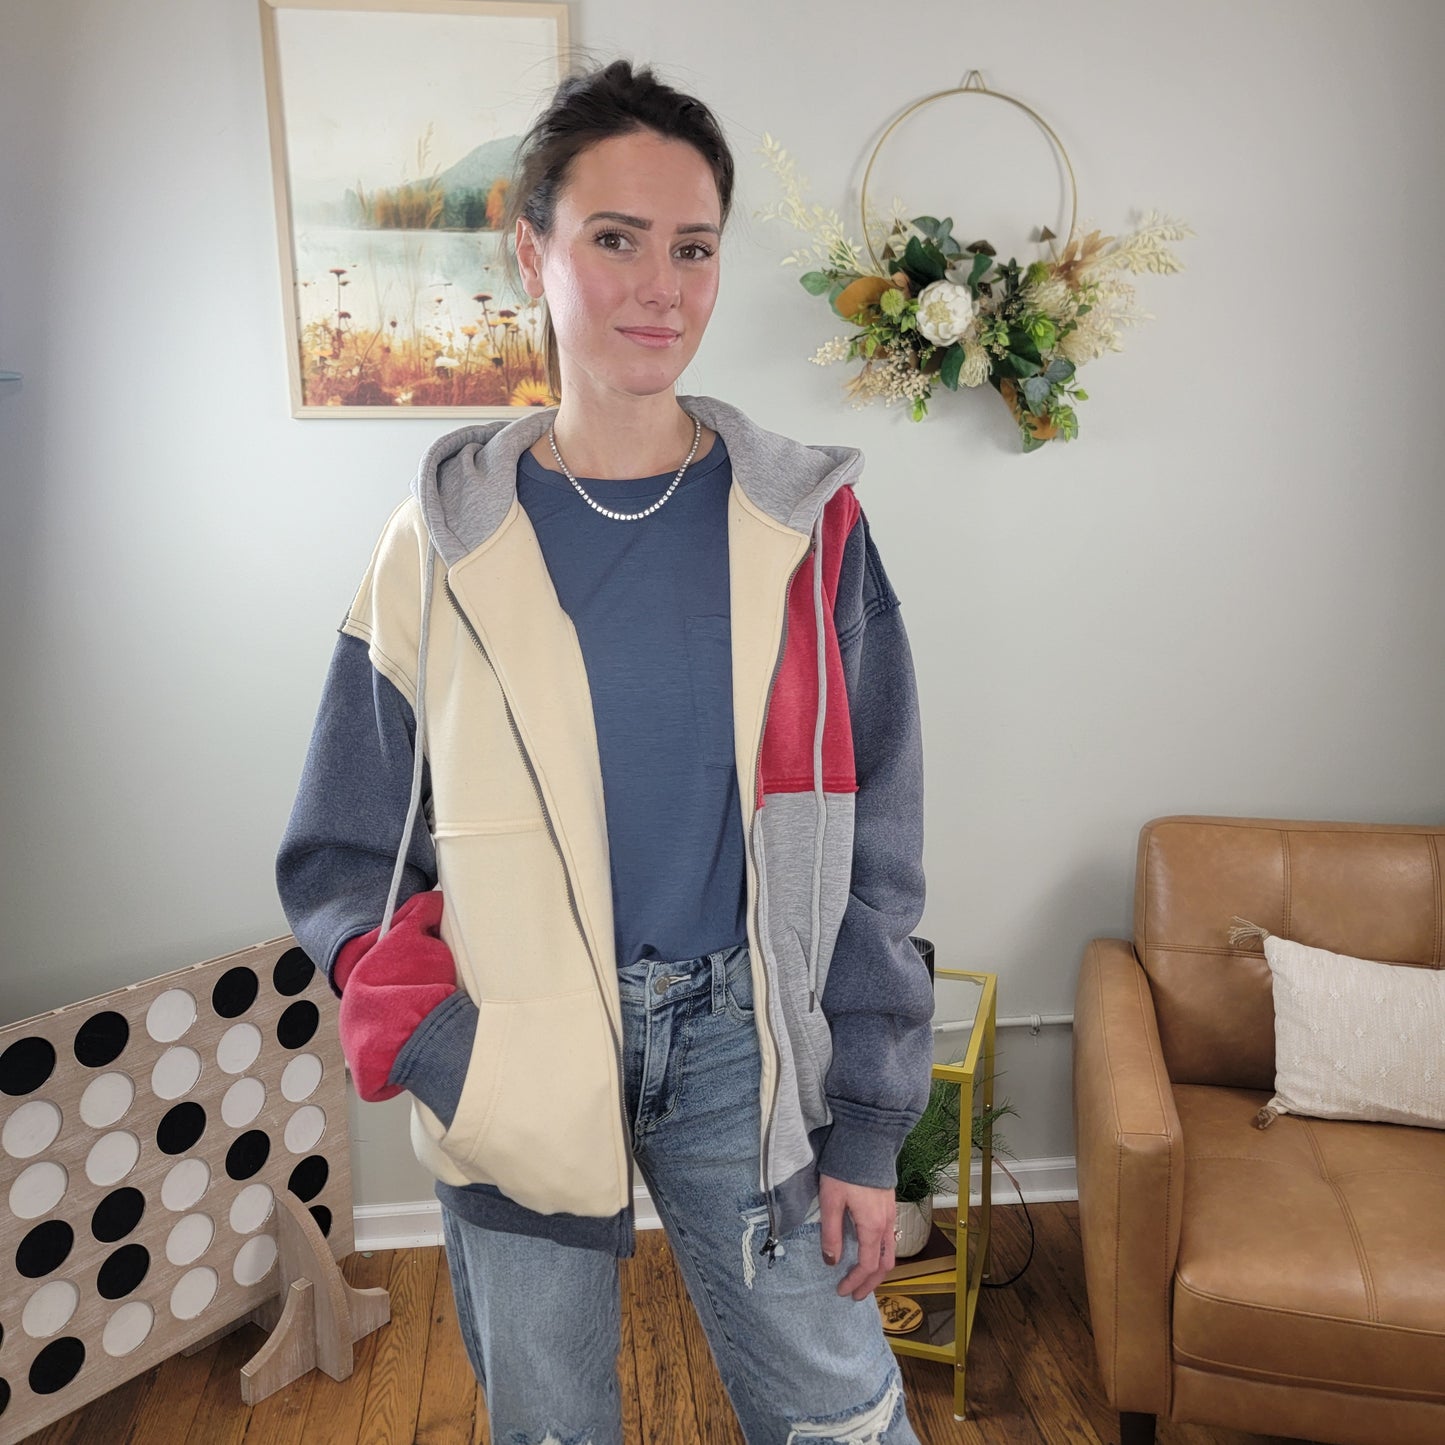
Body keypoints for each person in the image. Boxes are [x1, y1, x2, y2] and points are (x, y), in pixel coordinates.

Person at [276, 56, 933, 1445]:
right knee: (554, 1429)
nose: (659, 286)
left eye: (691, 247)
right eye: (613, 239)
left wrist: (868, 1121)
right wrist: (442, 1041)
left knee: (843, 1418)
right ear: (534, 253)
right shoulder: (440, 543)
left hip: (742, 1054)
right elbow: (346, 850)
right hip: (515, 1045)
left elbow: (876, 843)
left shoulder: (807, 532)